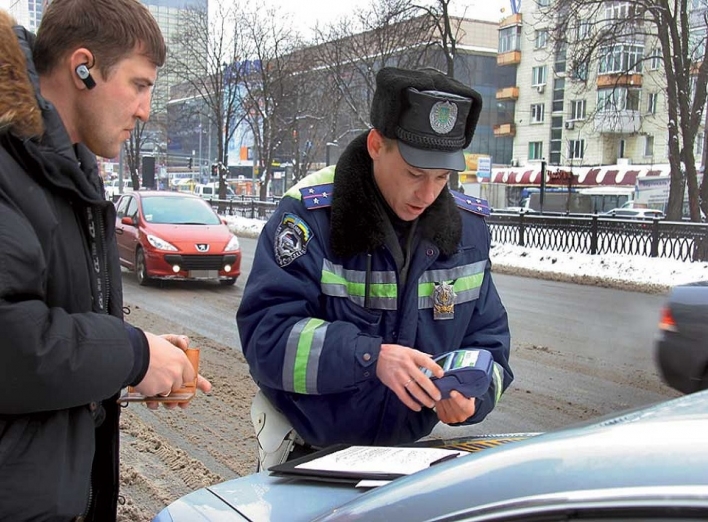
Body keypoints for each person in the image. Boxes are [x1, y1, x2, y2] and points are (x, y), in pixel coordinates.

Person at [237, 67, 513, 468]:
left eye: (442, 176)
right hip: (306, 457)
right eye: (414, 173)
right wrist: (371, 358)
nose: (428, 193)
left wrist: (473, 395)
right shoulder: (310, 218)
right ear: (376, 144)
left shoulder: (467, 234)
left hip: (401, 462)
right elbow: (267, 337)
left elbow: (490, 346)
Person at [0, 1, 211, 520]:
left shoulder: (68, 171)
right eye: (139, 85)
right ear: (83, 68)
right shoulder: (10, 168)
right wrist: (132, 353)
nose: (144, 109)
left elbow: (63, 316)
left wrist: (141, 361)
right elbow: (10, 341)